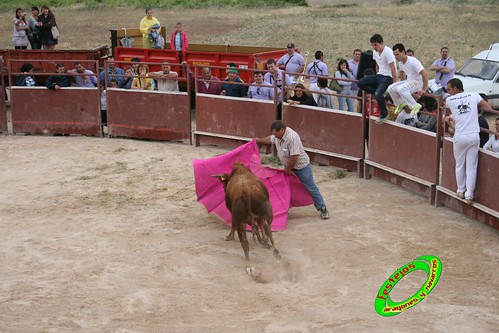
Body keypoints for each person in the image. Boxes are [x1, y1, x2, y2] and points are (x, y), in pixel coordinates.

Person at [255, 120, 330, 220]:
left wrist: (288, 169)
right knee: (285, 188)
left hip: (301, 167)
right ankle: (284, 209)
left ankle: (322, 208)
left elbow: (295, 156)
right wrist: (258, 140)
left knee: (310, 187)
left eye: (275, 133)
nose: (275, 136)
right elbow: (270, 139)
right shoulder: (279, 136)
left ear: (282, 130)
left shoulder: (293, 137)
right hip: (289, 167)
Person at [444, 78, 494, 205]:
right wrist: (474, 108)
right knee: (472, 166)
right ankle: (469, 195)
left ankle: (461, 190)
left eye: (449, 89)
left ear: (456, 88)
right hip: (473, 135)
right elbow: (488, 107)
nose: (448, 92)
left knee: (460, 165)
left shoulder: (449, 100)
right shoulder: (474, 95)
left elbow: (448, 116)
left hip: (460, 135)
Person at [357, 34, 397, 124]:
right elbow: (377, 64)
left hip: (388, 77)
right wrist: (376, 75)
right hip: (379, 75)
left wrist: (395, 82)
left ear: (381, 43)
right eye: (373, 45)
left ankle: (384, 113)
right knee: (360, 83)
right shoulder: (375, 52)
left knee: (378, 94)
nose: (374, 47)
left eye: (376, 44)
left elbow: (393, 68)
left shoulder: (388, 52)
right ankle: (378, 93)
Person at [387, 43, 428, 116]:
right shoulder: (400, 62)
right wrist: (401, 82)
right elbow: (402, 72)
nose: (395, 57)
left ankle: (415, 105)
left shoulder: (413, 61)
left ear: (403, 52)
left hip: (417, 83)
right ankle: (401, 103)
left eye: (397, 54)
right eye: (394, 55)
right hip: (409, 81)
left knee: (401, 89)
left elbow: (425, 74)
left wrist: (424, 89)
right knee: (390, 88)